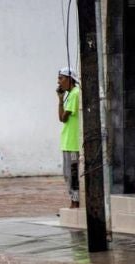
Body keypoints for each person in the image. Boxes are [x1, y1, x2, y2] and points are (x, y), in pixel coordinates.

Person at [57, 67, 81, 208]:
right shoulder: (71, 94)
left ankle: (75, 202)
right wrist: (61, 99)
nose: (59, 82)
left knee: (72, 173)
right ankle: (73, 200)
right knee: (68, 173)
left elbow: (63, 118)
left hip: (73, 143)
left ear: (70, 79)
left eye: (61, 78)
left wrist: (60, 100)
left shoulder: (75, 94)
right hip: (68, 142)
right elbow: (62, 118)